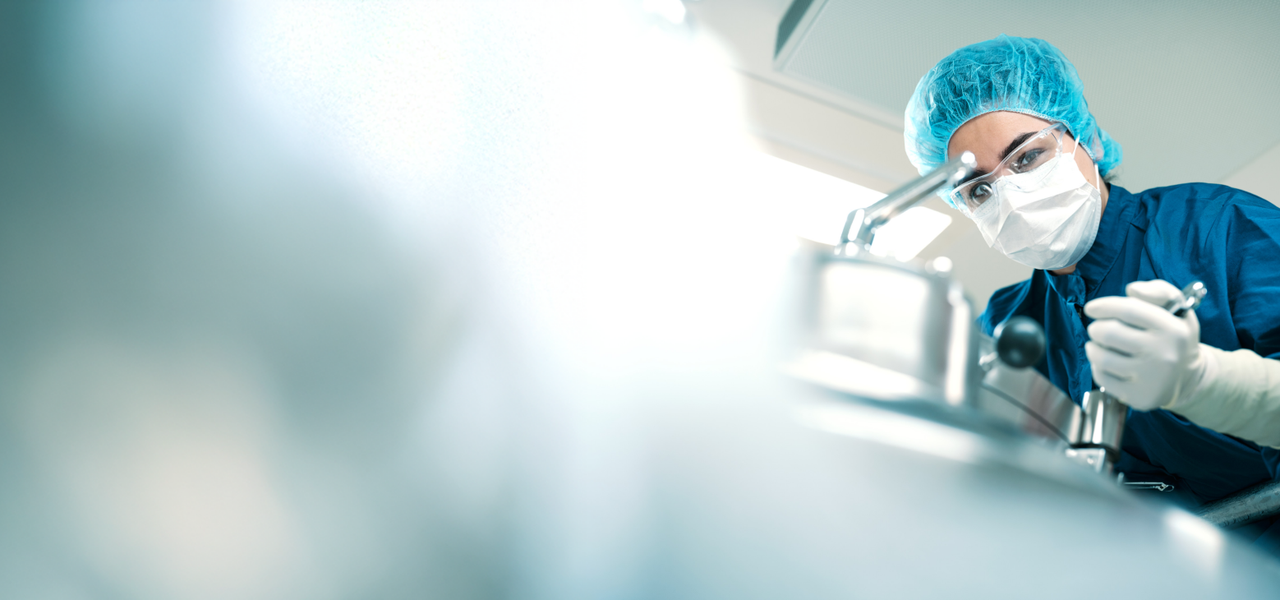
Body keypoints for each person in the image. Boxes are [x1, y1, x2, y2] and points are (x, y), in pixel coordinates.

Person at [904, 34, 1280, 550]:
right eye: (979, 189)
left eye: (1026, 158)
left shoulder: (1216, 228)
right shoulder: (1003, 326)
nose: (1009, 194)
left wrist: (1201, 382)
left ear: (1088, 140)